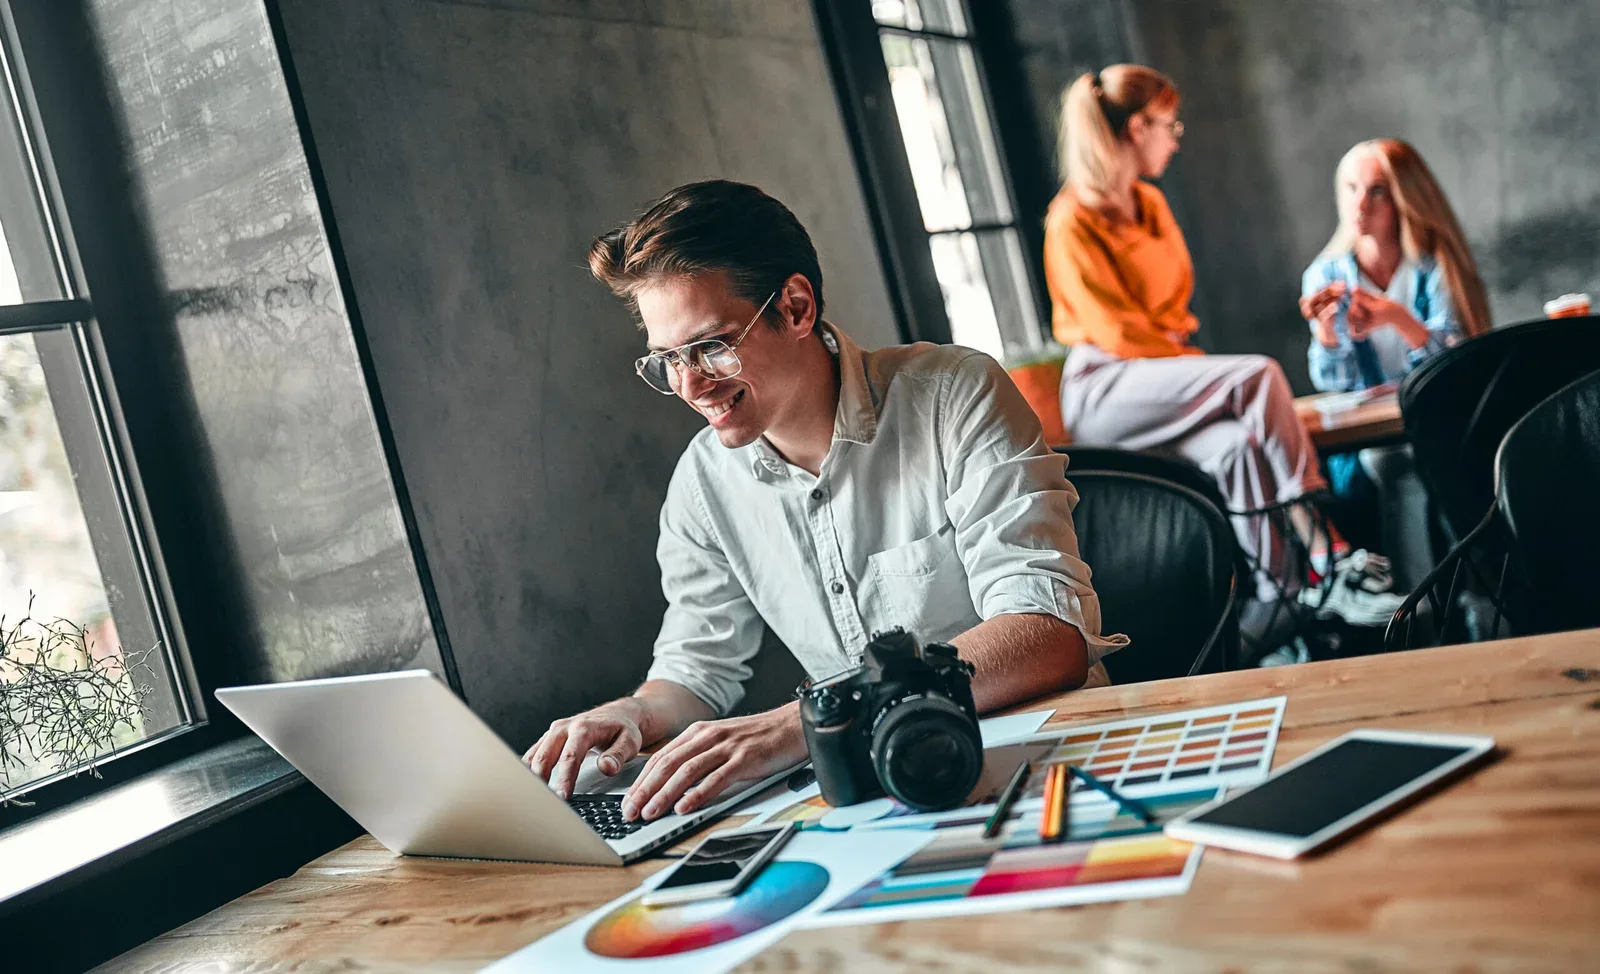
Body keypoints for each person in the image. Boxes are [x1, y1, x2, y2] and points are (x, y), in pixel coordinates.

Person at [524, 180, 1127, 822]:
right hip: (879, 799)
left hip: (1046, 767)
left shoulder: (956, 395)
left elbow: (1046, 632)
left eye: (711, 346)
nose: (690, 384)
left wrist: (799, 726)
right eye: (668, 359)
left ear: (796, 307)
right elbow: (697, 667)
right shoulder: (702, 483)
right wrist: (638, 713)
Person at [1042, 64, 1401, 627]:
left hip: (1160, 368)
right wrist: (1186, 357)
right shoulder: (1071, 221)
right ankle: (1329, 550)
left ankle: (1285, 598)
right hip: (1103, 385)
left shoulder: (1152, 206)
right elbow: (1115, 331)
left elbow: (1174, 306)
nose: (1175, 138)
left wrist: (1177, 350)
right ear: (1138, 128)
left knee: (1234, 447)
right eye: (1170, 125)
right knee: (1255, 376)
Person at [1299, 139, 1491, 590]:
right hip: (1374, 439)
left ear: (1406, 196)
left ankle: (1459, 598)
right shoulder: (1326, 276)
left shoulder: (1435, 265)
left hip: (1446, 423)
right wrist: (1327, 338)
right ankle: (1421, 609)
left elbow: (1464, 367)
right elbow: (1335, 384)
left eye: (1377, 191)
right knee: (1393, 461)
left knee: (1431, 458)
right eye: (1350, 188)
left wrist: (1399, 319)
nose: (1359, 204)